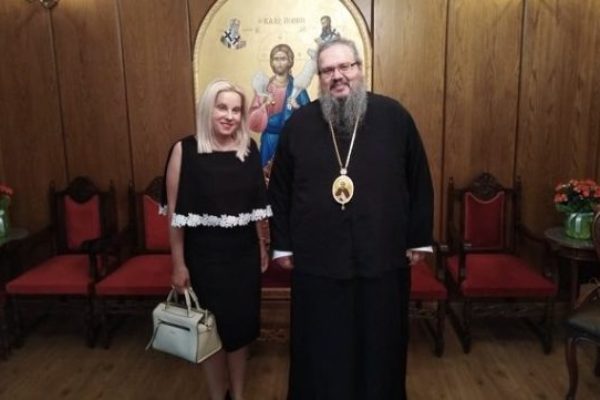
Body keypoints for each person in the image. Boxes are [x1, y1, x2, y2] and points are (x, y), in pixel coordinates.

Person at [268, 38, 434, 399]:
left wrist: (418, 237)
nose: (338, 76)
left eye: (345, 67)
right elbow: (279, 190)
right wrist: (282, 245)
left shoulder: (394, 117)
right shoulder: (299, 124)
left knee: (380, 344)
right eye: (328, 70)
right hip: (318, 260)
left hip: (382, 256)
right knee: (322, 345)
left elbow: (419, 178)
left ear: (360, 69)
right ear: (320, 78)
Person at [163, 79, 271, 400]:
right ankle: (216, 395)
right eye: (222, 107)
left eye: (236, 110)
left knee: (240, 332)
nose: (229, 116)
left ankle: (237, 395)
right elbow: (175, 217)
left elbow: (255, 209)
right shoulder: (184, 151)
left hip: (243, 257)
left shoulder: (248, 149)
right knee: (209, 332)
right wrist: (178, 265)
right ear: (208, 109)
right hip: (204, 259)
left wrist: (261, 247)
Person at [249, 44, 311, 167]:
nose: (279, 63)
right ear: (271, 62)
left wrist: (297, 108)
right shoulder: (264, 87)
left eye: (283, 59)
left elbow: (311, 118)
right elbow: (252, 119)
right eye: (276, 59)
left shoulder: (298, 88)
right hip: (269, 140)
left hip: (290, 142)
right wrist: (263, 106)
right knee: (266, 174)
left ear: (290, 61)